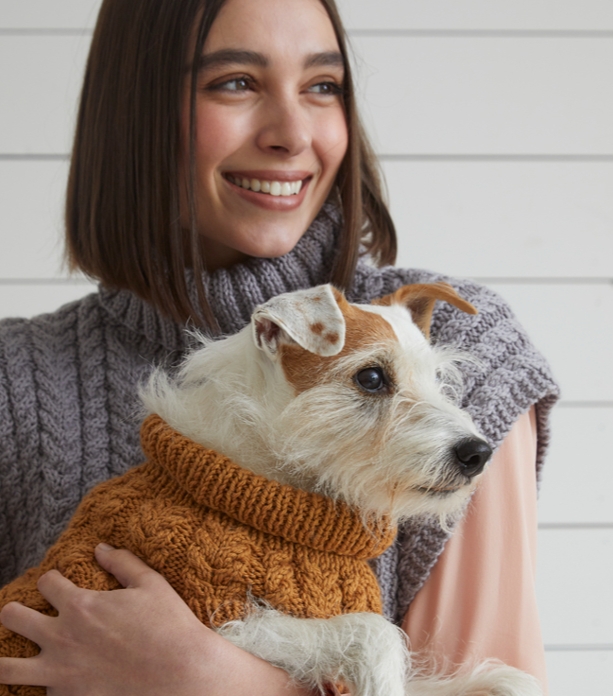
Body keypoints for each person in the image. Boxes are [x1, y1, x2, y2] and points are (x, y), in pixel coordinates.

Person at [0, 0, 559, 694]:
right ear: (134, 112)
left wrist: (218, 681)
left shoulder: (459, 348)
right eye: (235, 81)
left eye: (323, 86)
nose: (293, 134)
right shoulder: (13, 383)